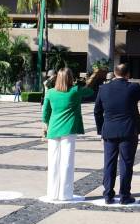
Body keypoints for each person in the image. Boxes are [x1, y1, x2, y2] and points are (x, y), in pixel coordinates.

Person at [94, 63, 140, 205]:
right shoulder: (132, 87)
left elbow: (97, 111)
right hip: (128, 130)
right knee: (126, 163)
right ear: (127, 74)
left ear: (114, 73)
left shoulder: (103, 88)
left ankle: (108, 194)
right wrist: (134, 85)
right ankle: (124, 195)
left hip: (109, 131)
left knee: (109, 163)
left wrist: (101, 131)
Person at [42, 68, 99, 202]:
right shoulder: (75, 90)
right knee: (67, 161)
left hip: (53, 128)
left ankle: (52, 193)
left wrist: (45, 126)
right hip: (69, 128)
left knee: (53, 161)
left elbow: (45, 112)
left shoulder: (50, 92)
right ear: (70, 78)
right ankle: (65, 194)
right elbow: (90, 91)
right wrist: (79, 82)